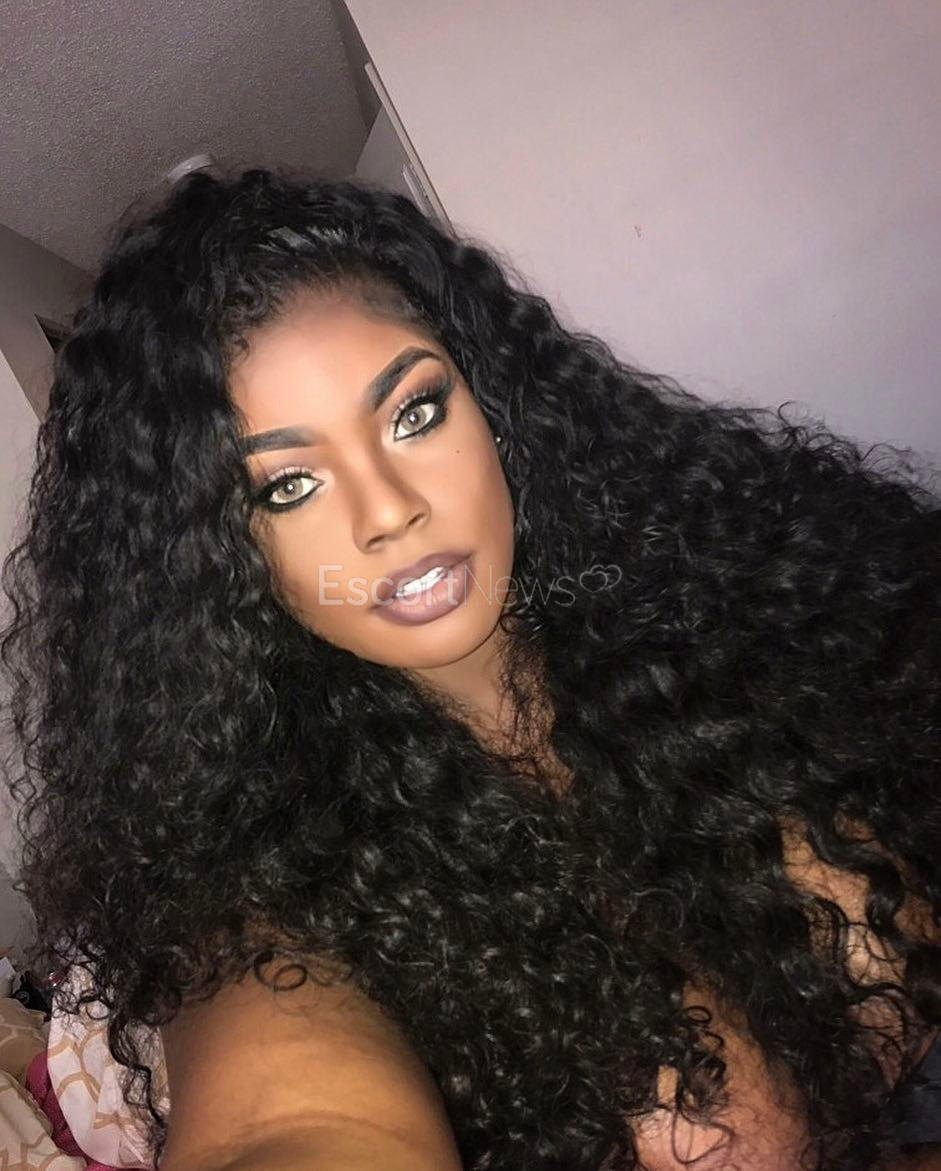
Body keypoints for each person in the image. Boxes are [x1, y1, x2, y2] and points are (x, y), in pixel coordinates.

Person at [1, 166, 939, 1171]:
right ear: (215, 560)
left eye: (412, 414)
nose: (387, 510)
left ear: (492, 402)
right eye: (286, 486)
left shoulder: (748, 594)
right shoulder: (275, 887)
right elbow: (292, 1125)